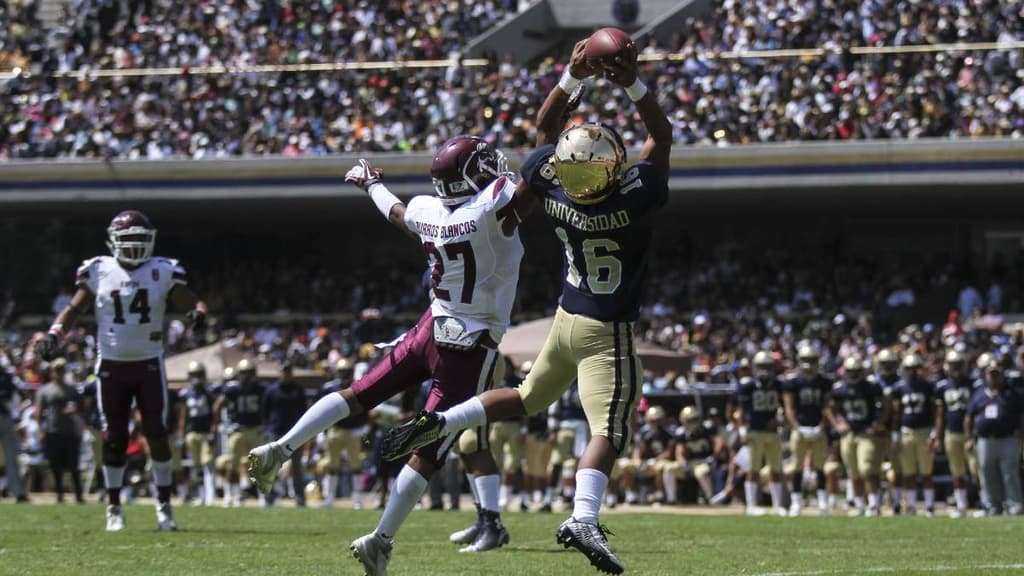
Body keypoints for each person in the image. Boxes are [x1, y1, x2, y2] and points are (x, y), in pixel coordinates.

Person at [383, 37, 671, 575]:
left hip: (564, 319)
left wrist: (572, 76)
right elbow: (661, 135)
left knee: (523, 396)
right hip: (607, 330)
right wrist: (630, 80)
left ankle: (443, 419)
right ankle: (583, 516)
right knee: (608, 430)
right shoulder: (637, 196)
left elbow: (544, 132)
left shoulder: (552, 188)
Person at [247, 132, 532, 574]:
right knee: (429, 450)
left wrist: (371, 184)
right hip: (469, 344)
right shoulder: (491, 209)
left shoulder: (428, 210)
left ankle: (283, 447)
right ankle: (380, 540)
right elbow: (532, 180)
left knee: (358, 392)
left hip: (428, 328)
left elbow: (397, 213)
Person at [36, 210, 207, 531]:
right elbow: (74, 308)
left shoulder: (163, 270)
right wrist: (54, 334)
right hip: (111, 364)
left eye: (140, 241)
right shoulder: (98, 270)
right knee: (114, 438)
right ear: (113, 242)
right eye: (128, 242)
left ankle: (164, 506)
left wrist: (197, 313)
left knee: (157, 433)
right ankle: (114, 506)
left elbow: (192, 301)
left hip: (149, 363)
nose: (134, 249)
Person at [827, 356, 888, 516]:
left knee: (866, 468)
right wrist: (837, 424)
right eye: (850, 371)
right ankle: (860, 505)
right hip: (849, 435)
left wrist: (877, 424)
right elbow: (830, 408)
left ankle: (874, 504)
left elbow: (885, 405)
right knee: (853, 471)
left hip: (865, 434)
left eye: (856, 371)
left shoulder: (871, 387)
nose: (853, 375)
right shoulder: (840, 389)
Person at [965, 359, 1023, 516]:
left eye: (996, 374)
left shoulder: (1012, 394)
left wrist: (1021, 437)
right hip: (985, 440)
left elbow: (1020, 416)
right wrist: (969, 438)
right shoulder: (979, 393)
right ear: (986, 376)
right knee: (986, 472)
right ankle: (993, 506)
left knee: (1009, 472)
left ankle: (1014, 504)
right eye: (991, 375)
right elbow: (969, 416)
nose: (994, 378)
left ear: (1002, 375)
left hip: (1008, 438)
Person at [782, 344, 831, 516]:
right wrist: (797, 427)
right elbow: (789, 408)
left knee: (819, 467)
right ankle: (796, 502)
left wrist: (822, 426)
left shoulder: (824, 382)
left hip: (818, 428)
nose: (809, 364)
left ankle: (823, 503)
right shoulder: (793, 382)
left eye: (812, 360)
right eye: (806, 360)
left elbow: (827, 406)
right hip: (800, 429)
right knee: (797, 467)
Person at [735, 351, 785, 516]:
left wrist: (780, 419)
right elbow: (740, 411)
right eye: (761, 366)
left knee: (775, 468)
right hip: (755, 431)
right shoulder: (747, 386)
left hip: (772, 431)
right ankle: (751, 505)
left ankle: (778, 505)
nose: (764, 370)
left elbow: (784, 406)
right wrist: (742, 430)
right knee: (753, 469)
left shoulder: (778, 385)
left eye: (767, 366)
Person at [892, 353, 941, 517]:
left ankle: (929, 507)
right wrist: (895, 436)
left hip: (924, 432)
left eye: (915, 369)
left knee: (926, 473)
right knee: (908, 474)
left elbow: (936, 412)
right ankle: (910, 506)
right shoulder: (899, 388)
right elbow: (896, 414)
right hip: (906, 432)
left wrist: (935, 433)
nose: (912, 372)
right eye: (909, 369)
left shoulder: (928, 387)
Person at [316, 358, 368, 508]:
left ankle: (357, 499)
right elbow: (321, 411)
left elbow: (365, 408)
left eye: (346, 372)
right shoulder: (329, 388)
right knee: (332, 466)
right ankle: (330, 497)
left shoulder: (358, 387)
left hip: (354, 430)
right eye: (342, 372)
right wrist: (322, 431)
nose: (344, 375)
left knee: (356, 466)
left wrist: (363, 427)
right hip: (335, 429)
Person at [213, 359, 264, 507]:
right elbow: (217, 406)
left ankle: (262, 495)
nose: (247, 377)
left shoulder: (260, 389)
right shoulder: (232, 389)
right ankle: (230, 495)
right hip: (238, 430)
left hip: (255, 429)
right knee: (233, 464)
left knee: (259, 465)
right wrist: (219, 425)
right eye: (244, 373)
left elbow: (267, 406)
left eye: (249, 373)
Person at [935, 350, 978, 517]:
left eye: (959, 365)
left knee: (976, 470)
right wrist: (937, 436)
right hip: (951, 432)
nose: (956, 368)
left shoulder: (973, 384)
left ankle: (984, 502)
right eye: (953, 365)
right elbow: (940, 414)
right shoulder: (942, 386)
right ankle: (961, 506)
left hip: (970, 434)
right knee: (957, 472)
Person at [35, 358, 85, 503]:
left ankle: (78, 495)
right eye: (57, 370)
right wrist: (41, 431)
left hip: (70, 430)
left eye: (62, 370)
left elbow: (82, 407)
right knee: (55, 464)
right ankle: (59, 494)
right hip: (53, 430)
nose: (60, 373)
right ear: (52, 372)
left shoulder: (72, 389)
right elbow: (39, 412)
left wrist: (74, 410)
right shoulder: (45, 390)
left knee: (73, 464)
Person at [260, 361, 309, 506]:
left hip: (295, 433)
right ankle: (269, 496)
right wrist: (267, 429)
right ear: (279, 373)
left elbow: (304, 411)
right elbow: (264, 412)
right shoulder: (271, 390)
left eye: (288, 371)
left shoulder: (298, 390)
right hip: (276, 431)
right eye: (283, 371)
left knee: (296, 467)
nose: (286, 374)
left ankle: (299, 497)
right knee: (272, 464)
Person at [178, 361, 217, 506]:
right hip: (192, 432)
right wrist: (182, 434)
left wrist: (213, 430)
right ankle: (198, 496)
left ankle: (210, 496)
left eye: (199, 374)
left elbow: (215, 412)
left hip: (206, 432)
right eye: (194, 375)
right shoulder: (186, 393)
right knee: (196, 466)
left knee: (207, 464)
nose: (196, 378)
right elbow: (183, 415)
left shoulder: (208, 392)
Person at [0, 365, 28, 502]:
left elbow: (9, 393)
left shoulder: (5, 374)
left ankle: (18, 492)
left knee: (11, 457)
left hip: (4, 416)